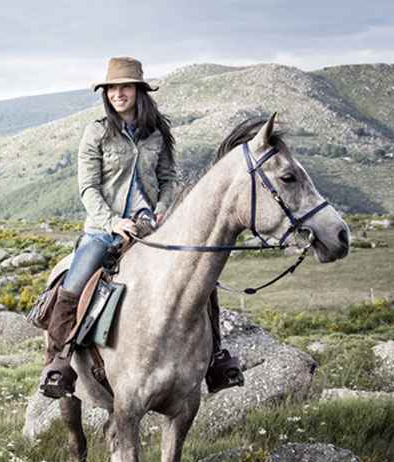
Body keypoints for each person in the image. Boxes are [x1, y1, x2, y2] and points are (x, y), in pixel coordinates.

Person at [38, 57, 243, 398]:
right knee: (72, 287)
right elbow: (88, 188)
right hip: (106, 229)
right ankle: (57, 362)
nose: (118, 93)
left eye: (125, 87)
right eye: (112, 88)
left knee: (203, 282)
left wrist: (164, 210)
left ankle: (216, 357)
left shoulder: (157, 133)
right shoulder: (97, 132)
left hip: (152, 230)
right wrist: (112, 222)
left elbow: (167, 179)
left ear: (138, 91)